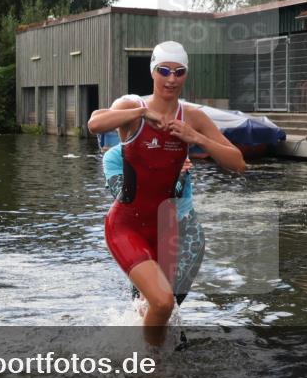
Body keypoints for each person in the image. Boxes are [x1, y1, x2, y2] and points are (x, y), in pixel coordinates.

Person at [88, 41, 244, 345]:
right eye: (164, 71)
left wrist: (195, 137)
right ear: (152, 71)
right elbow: (95, 123)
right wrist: (143, 114)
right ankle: (151, 366)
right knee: (162, 303)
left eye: (179, 72)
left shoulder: (193, 116)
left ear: (186, 75)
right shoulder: (132, 107)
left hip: (167, 230)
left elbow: (238, 162)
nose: (171, 79)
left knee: (157, 307)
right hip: (126, 226)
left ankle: (149, 365)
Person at [102, 145, 205, 305]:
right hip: (141, 237)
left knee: (167, 304)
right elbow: (126, 198)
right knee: (142, 305)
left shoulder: (172, 151)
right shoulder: (114, 157)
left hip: (182, 233)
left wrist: (179, 173)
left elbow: (171, 198)